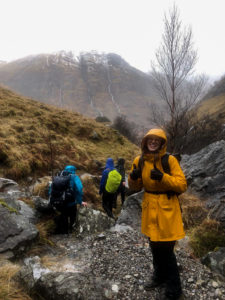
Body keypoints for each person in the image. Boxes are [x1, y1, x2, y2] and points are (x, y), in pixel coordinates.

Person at [128, 128, 187, 300]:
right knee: (154, 247)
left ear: (162, 143)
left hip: (167, 209)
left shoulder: (170, 160)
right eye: (150, 140)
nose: (153, 142)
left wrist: (163, 177)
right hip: (149, 209)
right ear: (145, 142)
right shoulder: (139, 161)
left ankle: (174, 289)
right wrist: (133, 177)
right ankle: (159, 277)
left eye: (157, 140)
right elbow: (135, 187)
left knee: (167, 251)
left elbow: (182, 185)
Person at [50, 165, 87, 234]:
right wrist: (80, 201)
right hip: (71, 202)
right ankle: (72, 230)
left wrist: (54, 198)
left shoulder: (59, 175)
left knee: (64, 216)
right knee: (73, 215)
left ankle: (64, 232)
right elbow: (79, 189)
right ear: (74, 170)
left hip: (59, 202)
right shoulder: (74, 177)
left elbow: (51, 189)